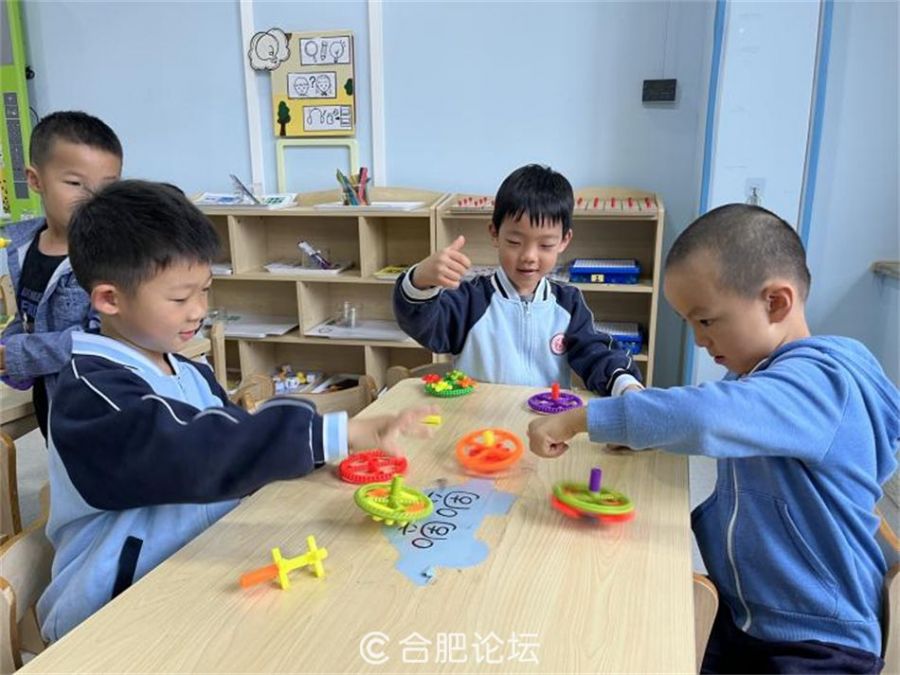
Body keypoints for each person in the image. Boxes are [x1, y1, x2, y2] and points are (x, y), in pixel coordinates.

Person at [37, 180, 435, 641]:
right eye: (179, 298)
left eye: (205, 290)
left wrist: (312, 456)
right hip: (112, 613)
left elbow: (232, 432)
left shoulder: (186, 369)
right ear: (110, 299)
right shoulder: (91, 392)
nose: (199, 311)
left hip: (196, 575)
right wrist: (324, 434)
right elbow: (190, 450)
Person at [528, 203, 898, 673]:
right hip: (750, 614)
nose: (699, 340)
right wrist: (643, 434)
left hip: (822, 639)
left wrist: (581, 419)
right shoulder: (762, 378)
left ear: (776, 303)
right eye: (688, 323)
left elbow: (704, 417)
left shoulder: (821, 382)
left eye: (705, 321)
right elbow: (709, 419)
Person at [394, 163, 642, 395]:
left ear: (564, 241)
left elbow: (594, 353)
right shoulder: (470, 301)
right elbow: (425, 326)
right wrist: (419, 280)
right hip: (480, 422)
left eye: (545, 245)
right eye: (514, 242)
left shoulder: (568, 303)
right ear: (494, 233)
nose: (529, 257)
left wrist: (624, 383)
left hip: (545, 422)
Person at [0, 110, 123, 439]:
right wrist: (8, 346)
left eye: (108, 187)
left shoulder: (112, 257)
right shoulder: (22, 246)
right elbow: (28, 315)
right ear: (35, 180)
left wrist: (18, 354)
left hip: (99, 403)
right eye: (75, 183)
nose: (92, 198)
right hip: (51, 397)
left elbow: (102, 338)